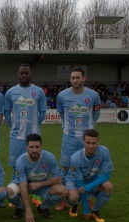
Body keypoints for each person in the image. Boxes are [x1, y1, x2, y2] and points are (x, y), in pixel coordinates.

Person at [56, 67, 101, 211]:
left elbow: (96, 115)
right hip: (69, 138)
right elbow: (62, 114)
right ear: (70, 79)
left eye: (78, 77)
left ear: (84, 78)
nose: (75, 80)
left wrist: (87, 132)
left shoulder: (93, 96)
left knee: (87, 170)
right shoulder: (62, 96)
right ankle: (63, 198)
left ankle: (87, 199)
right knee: (66, 168)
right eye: (73, 78)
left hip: (86, 140)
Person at [4, 63, 47, 206]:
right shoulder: (11, 92)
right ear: (18, 74)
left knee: (36, 166)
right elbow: (6, 112)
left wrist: (35, 127)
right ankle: (17, 195)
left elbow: (42, 112)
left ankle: (36, 196)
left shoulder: (38, 91)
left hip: (33, 136)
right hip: (16, 137)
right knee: (16, 166)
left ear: (30, 74)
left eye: (26, 73)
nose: (24, 75)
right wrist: (14, 126)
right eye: (22, 73)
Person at [6, 134, 67, 222]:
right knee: (9, 191)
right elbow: (22, 185)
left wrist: (39, 184)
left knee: (63, 191)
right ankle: (20, 207)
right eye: (31, 147)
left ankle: (42, 207)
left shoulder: (49, 157)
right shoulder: (21, 161)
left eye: (37, 147)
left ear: (41, 146)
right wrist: (29, 210)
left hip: (42, 186)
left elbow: (58, 179)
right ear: (27, 147)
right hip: (25, 186)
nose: (34, 150)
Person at [65, 129, 113, 222]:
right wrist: (85, 208)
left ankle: (95, 211)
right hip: (74, 182)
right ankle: (74, 205)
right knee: (74, 197)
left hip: (92, 181)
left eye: (94, 143)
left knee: (108, 186)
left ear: (98, 142)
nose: (91, 146)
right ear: (83, 142)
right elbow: (80, 184)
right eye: (88, 143)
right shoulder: (75, 158)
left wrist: (90, 186)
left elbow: (107, 174)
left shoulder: (104, 151)